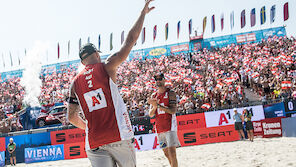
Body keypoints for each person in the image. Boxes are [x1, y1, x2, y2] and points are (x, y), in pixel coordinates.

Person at [67, 1, 155, 167]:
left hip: (94, 141)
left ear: (83, 61)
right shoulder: (107, 67)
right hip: (118, 135)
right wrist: (143, 14)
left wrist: (88, 128)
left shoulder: (74, 83)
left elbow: (71, 117)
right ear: (96, 55)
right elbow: (130, 40)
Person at [148, 73, 180, 167]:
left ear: (164, 80)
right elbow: (150, 114)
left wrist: (158, 106)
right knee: (166, 153)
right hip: (159, 127)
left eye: (160, 79)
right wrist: (154, 106)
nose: (158, 81)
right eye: (156, 79)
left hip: (170, 126)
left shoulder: (170, 93)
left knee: (172, 152)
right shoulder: (154, 95)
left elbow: (173, 110)